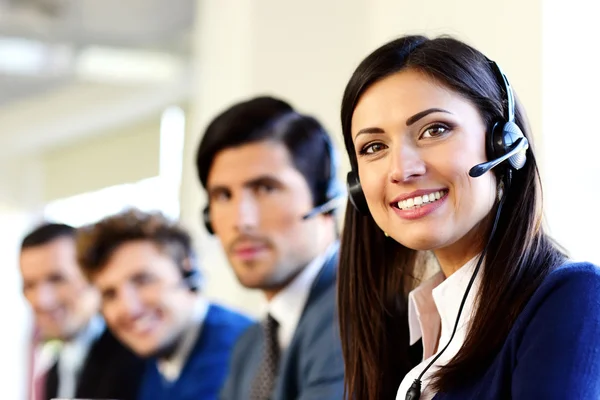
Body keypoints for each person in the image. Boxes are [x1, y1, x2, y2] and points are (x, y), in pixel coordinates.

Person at [336, 34, 600, 400]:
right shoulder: (405, 335)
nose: (401, 169)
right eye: (374, 147)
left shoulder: (571, 297)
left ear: (502, 143)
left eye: (434, 130)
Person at [196, 96, 345, 399]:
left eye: (265, 188)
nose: (241, 221)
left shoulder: (353, 313)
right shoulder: (250, 346)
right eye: (223, 196)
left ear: (324, 198)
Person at [75, 209, 253, 400]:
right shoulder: (155, 356)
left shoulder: (243, 352)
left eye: (143, 280)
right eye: (110, 295)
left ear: (186, 268)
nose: (129, 308)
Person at [19, 222, 144, 400]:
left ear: (93, 278)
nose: (42, 300)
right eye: (29, 285)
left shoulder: (137, 360)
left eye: (57, 279)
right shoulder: (53, 374)